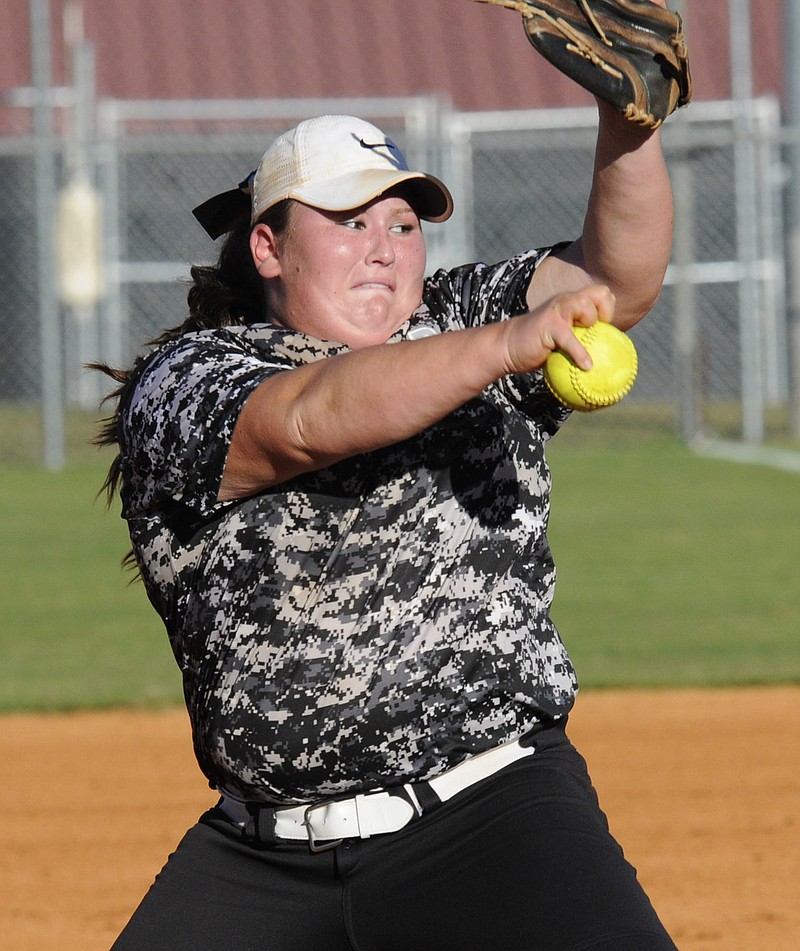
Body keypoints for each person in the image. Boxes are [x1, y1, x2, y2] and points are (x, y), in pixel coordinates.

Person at [99, 96, 676, 949]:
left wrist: (631, 127)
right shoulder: (189, 377)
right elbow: (307, 419)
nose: (383, 247)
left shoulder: (460, 315)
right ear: (268, 246)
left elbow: (614, 283)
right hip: (264, 858)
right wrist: (507, 345)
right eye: (349, 219)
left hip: (494, 815)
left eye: (403, 224)